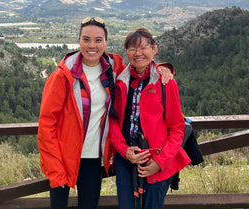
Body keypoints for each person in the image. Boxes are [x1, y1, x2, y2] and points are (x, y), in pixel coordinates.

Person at [38, 18, 173, 209]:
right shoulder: (62, 76)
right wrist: (55, 169)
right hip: (63, 157)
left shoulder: (113, 67)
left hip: (93, 157)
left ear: (106, 43)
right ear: (79, 41)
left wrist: (161, 67)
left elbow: (139, 65)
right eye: (86, 39)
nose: (92, 45)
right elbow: (46, 125)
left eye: (98, 40)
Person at [109, 27, 191, 209]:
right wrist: (124, 151)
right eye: (132, 49)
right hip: (127, 160)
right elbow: (114, 120)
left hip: (156, 161)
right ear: (126, 53)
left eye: (143, 48)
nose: (138, 53)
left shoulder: (165, 82)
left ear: (154, 50)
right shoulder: (121, 82)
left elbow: (177, 127)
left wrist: (160, 162)